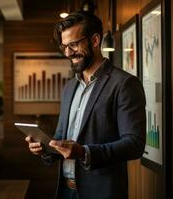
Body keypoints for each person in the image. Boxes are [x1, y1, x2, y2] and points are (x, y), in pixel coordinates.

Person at [25, 11, 146, 199]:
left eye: (73, 45)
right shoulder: (69, 87)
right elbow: (61, 137)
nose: (67, 53)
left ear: (95, 40)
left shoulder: (125, 84)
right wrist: (45, 148)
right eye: (64, 46)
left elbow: (134, 144)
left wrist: (84, 152)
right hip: (65, 191)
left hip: (102, 192)